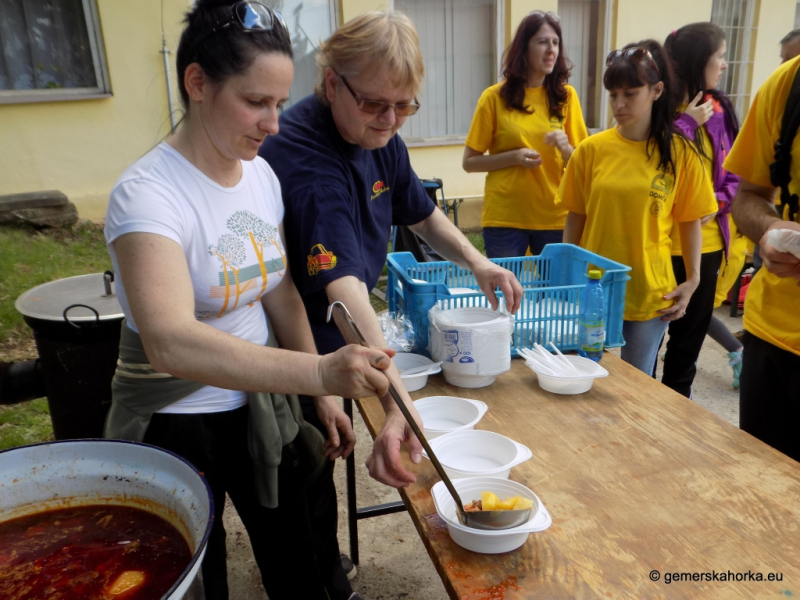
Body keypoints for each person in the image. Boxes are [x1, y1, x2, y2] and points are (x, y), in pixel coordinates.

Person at [103, 2, 400, 599]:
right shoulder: (147, 195)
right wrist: (316, 369)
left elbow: (280, 289)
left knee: (305, 557)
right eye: (256, 102)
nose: (273, 123)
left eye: (281, 104)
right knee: (190, 576)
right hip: (177, 421)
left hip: (263, 402)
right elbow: (169, 338)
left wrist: (317, 394)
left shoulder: (259, 176)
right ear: (198, 83)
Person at [260, 9, 523, 596]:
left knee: (322, 463)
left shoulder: (379, 134)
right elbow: (345, 290)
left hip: (336, 334)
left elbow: (421, 213)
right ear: (332, 84)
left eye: (405, 106)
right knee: (296, 473)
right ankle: (309, 581)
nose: (391, 119)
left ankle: (327, 573)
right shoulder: (306, 157)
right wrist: (397, 405)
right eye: (377, 104)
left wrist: (477, 260)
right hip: (289, 339)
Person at [557, 40, 717, 375]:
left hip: (649, 289)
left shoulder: (680, 153)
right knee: (582, 376)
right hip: (592, 286)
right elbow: (576, 216)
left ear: (657, 90)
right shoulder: (591, 150)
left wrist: (693, 280)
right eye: (613, 94)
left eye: (630, 93)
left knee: (638, 386)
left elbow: (690, 221)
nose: (619, 103)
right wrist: (566, 278)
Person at [463, 10, 588, 258]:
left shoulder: (567, 97)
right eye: (542, 42)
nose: (551, 50)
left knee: (557, 296)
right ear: (524, 48)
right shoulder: (494, 97)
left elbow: (583, 166)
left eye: (555, 42)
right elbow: (469, 162)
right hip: (505, 218)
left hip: (555, 217)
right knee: (506, 295)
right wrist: (515, 157)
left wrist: (566, 151)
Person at [657, 23, 741, 397]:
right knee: (646, 344)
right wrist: (688, 125)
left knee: (686, 346)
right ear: (697, 62)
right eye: (719, 56)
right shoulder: (659, 106)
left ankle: (676, 417)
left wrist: (717, 204)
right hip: (658, 244)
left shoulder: (720, 110)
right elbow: (654, 164)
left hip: (705, 245)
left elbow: (736, 174)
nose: (724, 64)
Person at [723, 55, 800, 462]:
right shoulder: (788, 85)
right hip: (773, 340)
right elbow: (748, 197)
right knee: (763, 505)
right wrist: (770, 229)